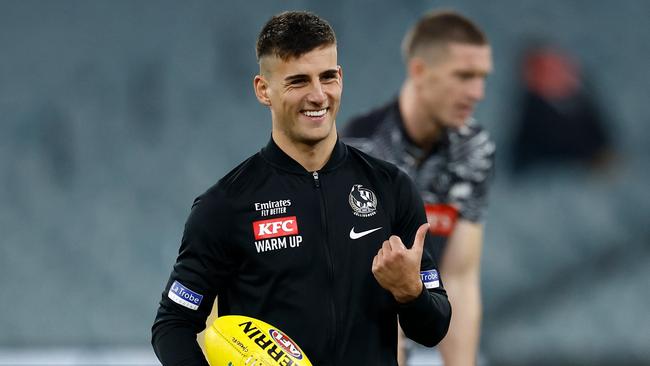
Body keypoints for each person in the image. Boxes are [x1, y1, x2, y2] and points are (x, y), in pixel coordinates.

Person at [151, 11, 451, 366]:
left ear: (340, 78)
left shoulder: (391, 188)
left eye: (327, 77)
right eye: (298, 81)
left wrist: (410, 292)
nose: (318, 95)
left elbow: (433, 329)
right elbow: (173, 324)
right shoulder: (226, 205)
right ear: (264, 90)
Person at [342, 10, 494, 366]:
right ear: (420, 72)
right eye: (464, 76)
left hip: (425, 319)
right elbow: (369, 288)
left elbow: (459, 275)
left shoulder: (475, 149)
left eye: (482, 78)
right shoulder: (364, 150)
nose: (477, 92)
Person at [510, 42, 614, 175]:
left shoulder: (579, 104)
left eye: (559, 68)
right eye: (546, 70)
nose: (557, 74)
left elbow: (603, 142)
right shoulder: (534, 113)